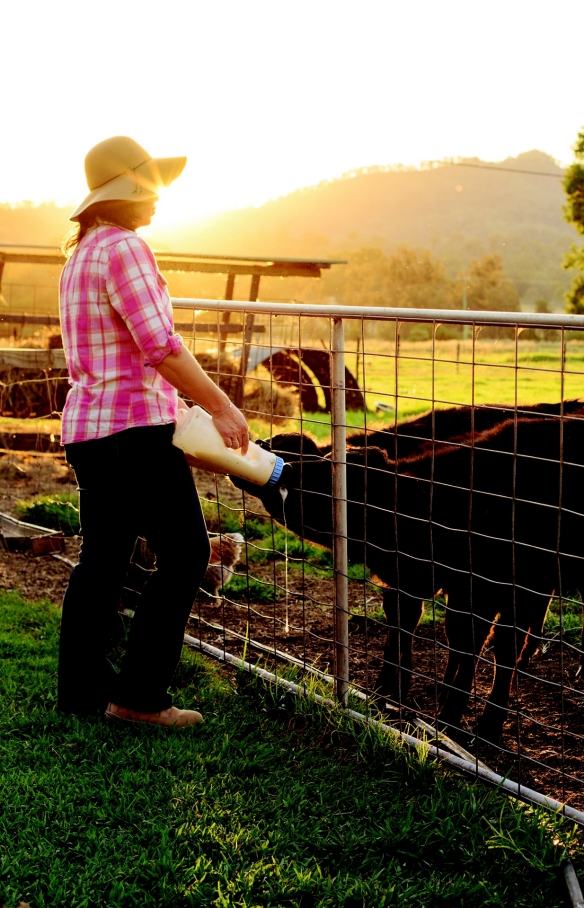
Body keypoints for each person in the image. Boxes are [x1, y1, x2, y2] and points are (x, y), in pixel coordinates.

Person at [58, 136, 249, 727]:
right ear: (128, 188)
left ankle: (83, 695)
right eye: (151, 186)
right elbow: (161, 347)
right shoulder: (126, 250)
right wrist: (219, 405)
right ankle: (139, 697)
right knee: (188, 552)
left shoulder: (81, 254)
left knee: (104, 559)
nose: (159, 199)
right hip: (132, 431)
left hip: (90, 430)